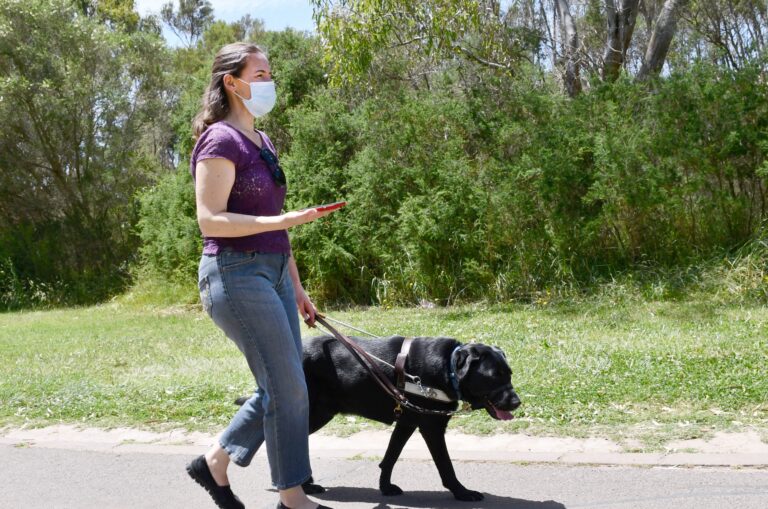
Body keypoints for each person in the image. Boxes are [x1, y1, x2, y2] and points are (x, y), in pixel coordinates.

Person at [185, 42, 337, 509]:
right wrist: (283, 222)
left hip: (270, 272)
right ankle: (292, 497)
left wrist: (296, 286)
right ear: (232, 82)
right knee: (288, 385)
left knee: (288, 381)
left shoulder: (263, 142)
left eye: (270, 73)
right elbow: (210, 219)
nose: (269, 81)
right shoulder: (219, 140)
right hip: (234, 273)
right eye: (260, 73)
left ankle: (214, 461)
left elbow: (274, 224)